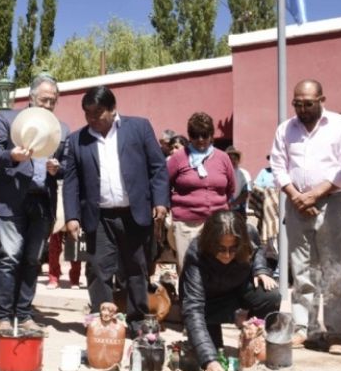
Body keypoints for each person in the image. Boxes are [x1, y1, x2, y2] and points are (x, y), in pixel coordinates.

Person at [63, 85, 169, 334]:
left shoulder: (139, 128)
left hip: (135, 214)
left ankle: (137, 320)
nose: (92, 118)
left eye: (97, 113)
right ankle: (103, 322)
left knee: (136, 269)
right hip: (99, 217)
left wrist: (161, 201)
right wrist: (71, 216)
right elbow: (71, 181)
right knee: (98, 270)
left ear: (113, 109)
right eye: (87, 113)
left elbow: (158, 167)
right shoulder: (77, 139)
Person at [269, 79, 341, 354]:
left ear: (322, 99)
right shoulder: (286, 128)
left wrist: (315, 194)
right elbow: (278, 165)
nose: (302, 109)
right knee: (302, 270)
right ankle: (304, 328)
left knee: (334, 270)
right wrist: (297, 197)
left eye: (308, 103)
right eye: (297, 103)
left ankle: (335, 334)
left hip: (332, 203)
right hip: (296, 206)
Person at [0, 74, 68, 335]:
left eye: (52, 101)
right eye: (44, 99)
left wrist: (58, 168)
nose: (48, 105)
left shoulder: (61, 129)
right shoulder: (8, 119)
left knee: (32, 260)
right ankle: (1, 317)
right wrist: (11, 155)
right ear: (31, 98)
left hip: (42, 201)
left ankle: (24, 313)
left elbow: (67, 166)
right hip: (11, 200)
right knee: (9, 257)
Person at [180, 210, 280, 371]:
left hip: (237, 291)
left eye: (233, 249)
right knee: (213, 353)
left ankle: (252, 340)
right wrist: (209, 361)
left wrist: (260, 270)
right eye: (221, 249)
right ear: (211, 243)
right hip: (208, 304)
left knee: (269, 295)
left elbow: (257, 251)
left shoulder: (248, 233)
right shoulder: (196, 252)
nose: (227, 255)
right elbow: (193, 308)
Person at [167, 112, 235, 270]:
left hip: (217, 223)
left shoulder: (223, 158)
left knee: (217, 268)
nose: (200, 140)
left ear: (211, 136)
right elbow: (163, 185)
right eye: (195, 135)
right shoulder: (178, 158)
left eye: (204, 135)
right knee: (188, 269)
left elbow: (230, 188)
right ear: (189, 136)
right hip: (186, 224)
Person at [226, 146, 251, 217]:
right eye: (230, 159)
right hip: (223, 208)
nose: (232, 161)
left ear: (238, 160)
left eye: (235, 158)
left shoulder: (244, 174)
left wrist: (233, 204)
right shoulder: (221, 173)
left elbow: (246, 193)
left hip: (239, 209)